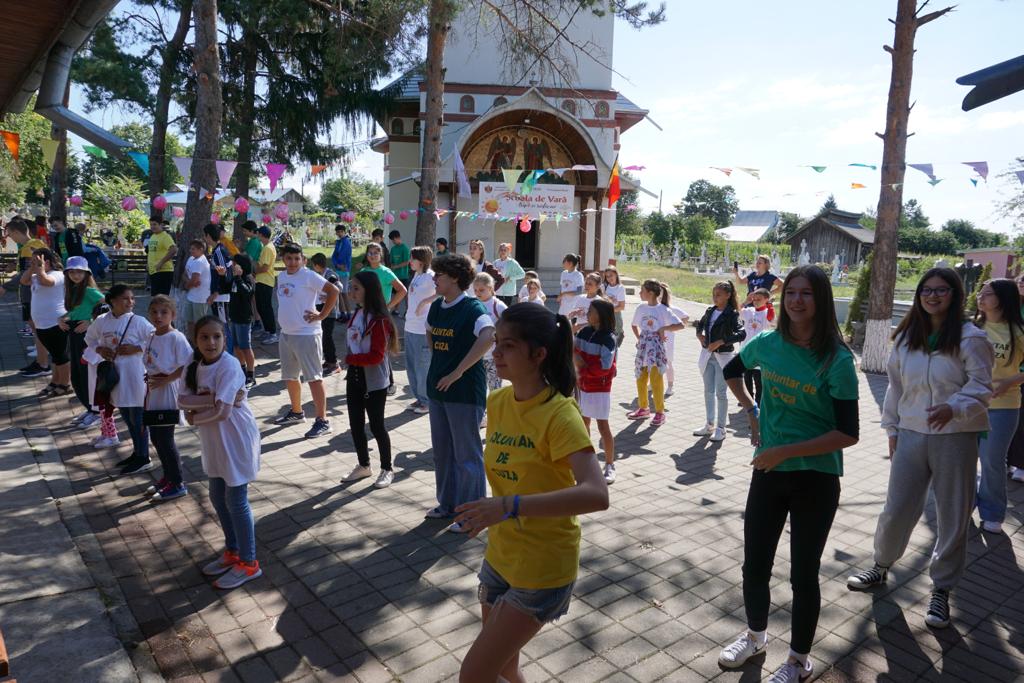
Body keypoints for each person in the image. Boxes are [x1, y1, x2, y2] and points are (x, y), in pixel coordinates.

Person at [717, 265, 859, 682]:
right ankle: (755, 637)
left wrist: (783, 451)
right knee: (755, 564)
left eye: (807, 294)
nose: (796, 300)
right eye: (791, 292)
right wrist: (751, 410)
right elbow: (731, 370)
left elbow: (847, 433)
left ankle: (798, 660)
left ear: (822, 301)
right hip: (769, 472)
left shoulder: (837, 359)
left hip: (815, 476)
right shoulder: (767, 343)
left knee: (803, 574)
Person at [454, 303, 609, 683]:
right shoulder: (498, 402)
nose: (496, 353)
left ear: (538, 354)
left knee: (473, 674)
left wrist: (508, 506)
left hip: (542, 567)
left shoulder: (559, 414)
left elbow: (596, 493)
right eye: (496, 343)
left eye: (507, 346)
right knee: (505, 666)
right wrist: (490, 510)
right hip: (501, 556)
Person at [847, 267, 993, 630]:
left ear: (955, 294)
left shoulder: (970, 337)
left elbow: (982, 386)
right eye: (926, 290)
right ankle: (881, 565)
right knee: (897, 509)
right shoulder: (908, 337)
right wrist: (892, 427)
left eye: (941, 290)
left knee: (952, 515)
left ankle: (942, 588)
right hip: (911, 433)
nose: (932, 296)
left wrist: (955, 407)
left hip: (955, 437)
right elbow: (896, 389)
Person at [180, 316, 263, 590]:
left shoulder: (230, 366)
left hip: (236, 438)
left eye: (216, 336)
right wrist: (213, 399)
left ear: (225, 338)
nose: (211, 342)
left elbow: (223, 411)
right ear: (196, 340)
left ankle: (249, 563)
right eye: (204, 337)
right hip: (214, 439)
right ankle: (233, 550)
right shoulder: (193, 366)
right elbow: (181, 400)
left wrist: (194, 417)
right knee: (217, 495)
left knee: (236, 499)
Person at [425, 253, 496, 531]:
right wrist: (439, 362)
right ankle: (448, 505)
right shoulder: (437, 306)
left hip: (464, 393)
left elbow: (489, 336)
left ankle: (471, 515)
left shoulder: (472, 308)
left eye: (438, 275)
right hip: (437, 391)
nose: (434, 279)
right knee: (442, 452)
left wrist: (458, 371)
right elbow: (430, 331)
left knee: (467, 455)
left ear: (454, 278)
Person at [86, 284, 156, 475]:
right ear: (112, 301)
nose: (130, 302)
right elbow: (89, 338)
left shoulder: (138, 321)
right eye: (125, 298)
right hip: (115, 378)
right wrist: (100, 349)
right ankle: (137, 452)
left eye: (132, 298)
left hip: (135, 377)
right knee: (126, 416)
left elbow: (155, 339)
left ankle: (144, 457)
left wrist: (137, 348)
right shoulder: (102, 321)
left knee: (138, 417)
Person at [974, 278, 1024, 534]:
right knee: (963, 459)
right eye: (980, 292)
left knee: (992, 460)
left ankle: (992, 512)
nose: (980, 297)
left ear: (1003, 299)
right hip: (969, 405)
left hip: (1004, 406)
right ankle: (964, 504)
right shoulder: (971, 327)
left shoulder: (1018, 331)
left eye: (988, 294)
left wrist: (1009, 382)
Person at [274, 243, 339, 438]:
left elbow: (333, 291)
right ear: (283, 259)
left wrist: (321, 315)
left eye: (296, 258)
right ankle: (296, 412)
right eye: (288, 258)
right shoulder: (282, 276)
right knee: (290, 376)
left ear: (303, 259)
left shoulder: (309, 275)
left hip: (307, 335)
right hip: (286, 334)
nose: (293, 262)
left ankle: (322, 420)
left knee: (314, 378)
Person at [342, 271, 399, 488]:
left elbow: (376, 356)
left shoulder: (380, 320)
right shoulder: (357, 314)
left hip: (374, 381)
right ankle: (364, 465)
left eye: (356, 288)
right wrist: (351, 360)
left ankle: (387, 468)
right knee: (355, 425)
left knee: (377, 426)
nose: (351, 292)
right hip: (354, 376)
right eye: (351, 287)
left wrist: (350, 358)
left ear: (369, 290)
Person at [143, 295, 193, 501]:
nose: (158, 316)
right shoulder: (152, 335)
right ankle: (168, 476)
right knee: (155, 437)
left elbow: (187, 364)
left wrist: (166, 379)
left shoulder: (176, 337)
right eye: (154, 312)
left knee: (165, 437)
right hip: (154, 388)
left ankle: (177, 482)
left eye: (164, 312)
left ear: (173, 314)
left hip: (167, 390)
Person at [628, 280, 685, 426]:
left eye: (642, 290)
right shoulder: (641, 307)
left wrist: (663, 329)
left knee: (656, 379)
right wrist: (639, 338)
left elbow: (681, 324)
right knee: (640, 377)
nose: (640, 293)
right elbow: (634, 325)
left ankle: (660, 412)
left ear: (651, 293)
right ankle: (643, 408)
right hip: (643, 347)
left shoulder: (663, 309)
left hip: (656, 348)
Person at [694, 280, 745, 441]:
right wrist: (699, 334)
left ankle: (721, 428)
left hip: (723, 358)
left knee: (721, 393)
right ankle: (709, 424)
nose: (715, 298)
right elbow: (700, 324)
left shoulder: (732, 314)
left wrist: (721, 341)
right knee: (708, 391)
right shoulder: (710, 310)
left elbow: (741, 333)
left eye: (718, 295)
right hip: (708, 357)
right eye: (713, 294)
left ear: (728, 295)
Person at [574, 298, 617, 484]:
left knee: (602, 426)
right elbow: (572, 350)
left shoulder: (609, 338)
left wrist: (582, 365)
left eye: (591, 311)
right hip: (581, 386)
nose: (587, 314)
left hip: (599, 388)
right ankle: (587, 463)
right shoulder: (584, 332)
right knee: (583, 424)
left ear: (601, 315)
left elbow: (605, 366)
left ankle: (609, 464)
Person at [1, 219, 50, 376]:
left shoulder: (31, 247)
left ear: (16, 232)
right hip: (30, 291)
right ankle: (40, 361)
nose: (10, 238)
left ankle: (43, 364)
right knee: (36, 328)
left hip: (32, 291)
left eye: (9, 234)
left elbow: (30, 271)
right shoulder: (28, 247)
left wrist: (6, 286)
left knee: (38, 328)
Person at [61, 256, 104, 428]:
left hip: (87, 336)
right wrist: (63, 318)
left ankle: (97, 411)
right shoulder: (73, 290)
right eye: (72, 272)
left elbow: (108, 306)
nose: (75, 275)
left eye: (79, 272)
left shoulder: (89, 290)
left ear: (87, 273)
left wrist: (90, 322)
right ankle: (89, 407)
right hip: (74, 334)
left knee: (88, 373)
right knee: (77, 374)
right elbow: (75, 311)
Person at [22, 248, 69, 396]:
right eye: (32, 261)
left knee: (61, 356)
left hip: (56, 323)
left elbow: (46, 282)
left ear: (46, 262)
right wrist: (32, 268)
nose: (33, 263)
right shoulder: (36, 275)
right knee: (54, 356)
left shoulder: (58, 275)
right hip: (41, 324)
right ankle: (55, 381)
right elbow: (23, 281)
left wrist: (39, 269)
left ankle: (65, 383)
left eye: (36, 260)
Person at [404, 247, 437, 415]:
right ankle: (419, 397)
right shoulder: (417, 275)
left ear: (422, 261)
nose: (410, 261)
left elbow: (441, 292)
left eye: (412, 258)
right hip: (410, 326)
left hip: (422, 329)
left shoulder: (431, 276)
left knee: (422, 366)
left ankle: (427, 401)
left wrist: (425, 301)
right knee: (411, 366)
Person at [738, 287, 774, 405]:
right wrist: (746, 301)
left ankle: (759, 403)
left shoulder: (767, 311)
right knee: (747, 378)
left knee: (759, 381)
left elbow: (771, 319)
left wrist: (770, 305)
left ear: (766, 299)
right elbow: (736, 311)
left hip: (760, 353)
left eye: (759, 299)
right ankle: (748, 401)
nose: (756, 301)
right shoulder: (749, 311)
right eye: (754, 299)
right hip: (746, 351)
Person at [309, 253, 342, 376]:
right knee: (323, 336)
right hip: (322, 308)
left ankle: (334, 363)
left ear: (317, 265)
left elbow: (339, 286)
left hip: (330, 311)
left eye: (313, 265)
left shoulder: (330, 274)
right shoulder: (320, 274)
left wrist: (328, 295)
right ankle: (328, 360)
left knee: (327, 337)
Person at [228, 253, 257, 388]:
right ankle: (242, 370)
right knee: (236, 346)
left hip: (243, 318)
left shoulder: (247, 279)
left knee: (245, 347)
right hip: (234, 317)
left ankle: (251, 375)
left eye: (235, 263)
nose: (232, 265)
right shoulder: (235, 278)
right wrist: (223, 276)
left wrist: (238, 277)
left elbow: (247, 293)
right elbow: (225, 289)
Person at [660, 284, 690, 397]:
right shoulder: (656, 308)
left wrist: (675, 327)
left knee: (668, 363)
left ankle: (670, 386)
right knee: (653, 363)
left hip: (668, 340)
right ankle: (652, 385)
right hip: (657, 340)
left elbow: (686, 317)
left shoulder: (672, 309)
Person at [363, 242, 407, 313]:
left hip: (381, 314)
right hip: (366, 311)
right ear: (366, 255)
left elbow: (402, 291)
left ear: (381, 255)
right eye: (370, 253)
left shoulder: (386, 272)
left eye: (375, 253)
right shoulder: (363, 271)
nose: (372, 255)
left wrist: (387, 307)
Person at [182, 240, 211, 340]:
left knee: (199, 323)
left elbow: (195, 280)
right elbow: (185, 274)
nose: (191, 251)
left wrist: (188, 285)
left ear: (201, 250)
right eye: (190, 248)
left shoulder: (200, 261)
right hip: (191, 295)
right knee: (190, 321)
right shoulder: (191, 258)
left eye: (193, 249)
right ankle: (192, 341)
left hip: (200, 297)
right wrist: (189, 283)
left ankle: (200, 342)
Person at [254, 226, 278, 344]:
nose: (257, 236)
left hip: (265, 281)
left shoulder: (268, 248)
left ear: (262, 235)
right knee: (261, 307)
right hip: (262, 281)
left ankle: (273, 333)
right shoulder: (266, 247)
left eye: (258, 234)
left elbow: (265, 267)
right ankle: (267, 330)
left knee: (266, 308)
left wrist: (255, 271)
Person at [147, 216, 177, 296]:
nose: (152, 227)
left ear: (161, 225)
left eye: (155, 224)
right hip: (154, 271)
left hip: (164, 272)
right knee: (156, 298)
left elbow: (173, 249)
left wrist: (161, 262)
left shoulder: (165, 236)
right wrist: (148, 264)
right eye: (151, 225)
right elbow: (152, 252)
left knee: (161, 300)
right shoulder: (153, 236)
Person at [602, 266, 627, 347]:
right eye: (607, 276)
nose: (609, 278)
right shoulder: (604, 286)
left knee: (614, 342)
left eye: (611, 275)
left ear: (616, 274)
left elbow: (621, 307)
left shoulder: (620, 288)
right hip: (604, 316)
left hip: (615, 316)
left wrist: (608, 310)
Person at [388, 230, 411, 314]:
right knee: (397, 293)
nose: (393, 242)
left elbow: (407, 262)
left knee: (405, 294)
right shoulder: (393, 249)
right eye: (392, 240)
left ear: (398, 238)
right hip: (395, 275)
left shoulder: (404, 248)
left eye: (394, 240)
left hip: (403, 275)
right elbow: (392, 261)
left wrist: (396, 266)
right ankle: (396, 309)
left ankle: (408, 310)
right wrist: (391, 266)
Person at [331, 224, 352, 316]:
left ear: (344, 232)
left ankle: (349, 314)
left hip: (344, 270)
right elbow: (334, 256)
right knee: (339, 293)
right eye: (338, 232)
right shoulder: (339, 242)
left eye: (341, 232)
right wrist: (336, 264)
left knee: (344, 293)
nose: (339, 233)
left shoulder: (346, 242)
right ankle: (343, 313)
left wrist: (340, 265)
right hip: (338, 269)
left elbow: (344, 255)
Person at [557, 253, 584, 318]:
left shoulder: (578, 275)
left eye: (564, 261)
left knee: (571, 324)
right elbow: (562, 287)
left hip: (574, 306)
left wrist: (564, 293)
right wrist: (560, 297)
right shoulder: (563, 273)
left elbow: (579, 292)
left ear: (570, 263)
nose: (562, 263)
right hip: (564, 305)